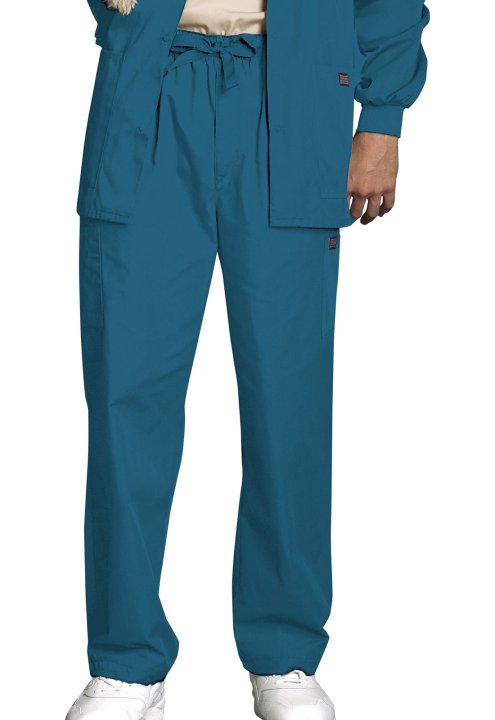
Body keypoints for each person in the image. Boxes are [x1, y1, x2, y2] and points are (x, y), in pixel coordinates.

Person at [66, 0, 429, 718]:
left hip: (294, 97)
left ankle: (284, 653)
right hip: (149, 86)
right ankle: (125, 661)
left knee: (287, 398)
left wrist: (382, 117)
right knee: (124, 397)